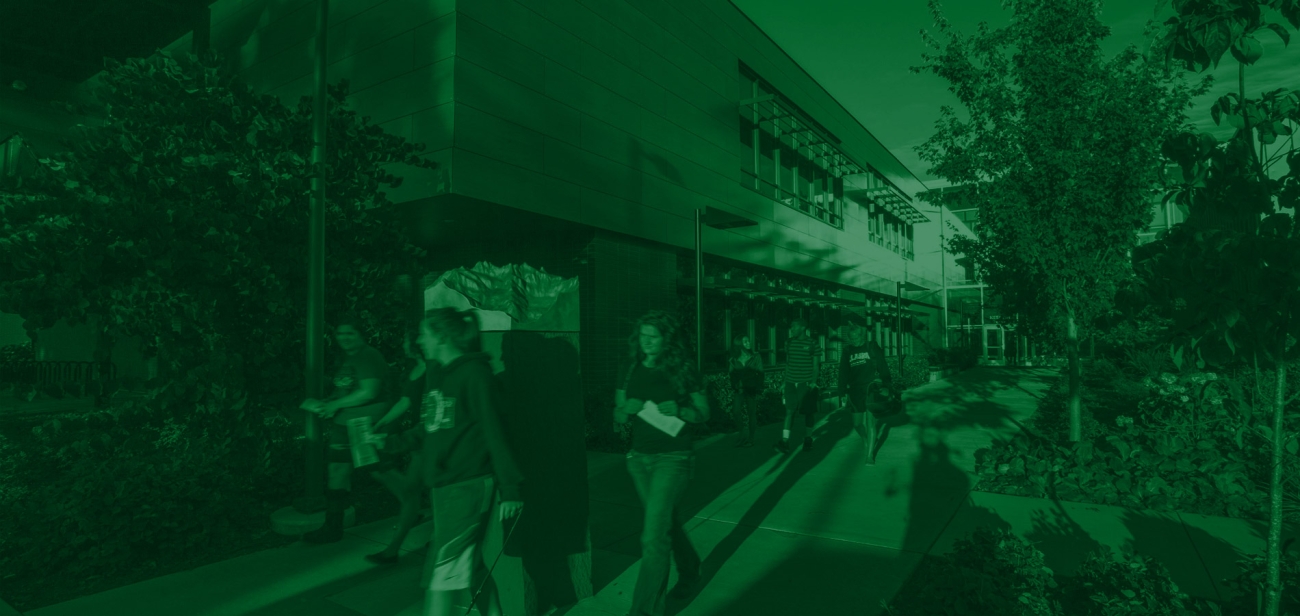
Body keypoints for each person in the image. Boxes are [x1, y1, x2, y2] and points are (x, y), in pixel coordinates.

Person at [370, 308, 525, 616]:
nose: (419, 340)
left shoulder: (476, 375)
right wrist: (389, 443)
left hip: (466, 487)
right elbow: (429, 428)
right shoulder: (438, 375)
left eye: (423, 334)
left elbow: (496, 432)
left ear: (441, 337)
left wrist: (510, 488)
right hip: (444, 488)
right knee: (469, 567)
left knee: (440, 573)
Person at [614, 310, 708, 616]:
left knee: (653, 537)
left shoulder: (682, 368)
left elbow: (704, 414)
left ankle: (644, 611)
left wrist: (681, 410)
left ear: (667, 338)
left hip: (674, 458)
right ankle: (691, 568)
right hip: (639, 460)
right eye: (643, 335)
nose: (647, 342)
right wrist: (624, 410)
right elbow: (617, 418)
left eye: (653, 336)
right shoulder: (629, 368)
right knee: (664, 523)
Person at [302, 313, 393, 544]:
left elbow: (369, 391)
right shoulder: (349, 359)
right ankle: (332, 527)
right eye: (340, 333)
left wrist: (334, 404)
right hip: (345, 424)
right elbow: (347, 391)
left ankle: (411, 504)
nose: (344, 338)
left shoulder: (368, 356)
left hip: (363, 424)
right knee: (337, 472)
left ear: (361, 335)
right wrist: (327, 403)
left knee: (378, 471)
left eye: (350, 333)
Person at [363, 331, 431, 565]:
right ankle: (431, 536)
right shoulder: (415, 369)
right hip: (417, 440)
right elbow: (405, 402)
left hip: (427, 439)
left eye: (405, 338)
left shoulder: (434, 369)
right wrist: (382, 424)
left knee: (414, 491)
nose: (402, 342)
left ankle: (393, 549)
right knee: (418, 491)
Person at [836, 313, 895, 465]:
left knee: (871, 422)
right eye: (852, 338)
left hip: (871, 389)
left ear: (862, 335)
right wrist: (841, 392)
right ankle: (865, 439)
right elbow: (843, 372)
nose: (854, 340)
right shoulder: (847, 351)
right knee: (856, 423)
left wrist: (887, 384)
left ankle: (869, 455)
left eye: (857, 337)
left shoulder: (872, 346)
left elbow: (883, 366)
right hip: (855, 391)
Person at [774, 318, 821, 454]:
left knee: (808, 412)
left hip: (805, 383)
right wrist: (784, 381)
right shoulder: (789, 343)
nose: (792, 329)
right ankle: (785, 442)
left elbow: (816, 366)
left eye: (794, 327)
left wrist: (813, 382)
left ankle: (808, 438)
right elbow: (788, 364)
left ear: (802, 328)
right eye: (791, 327)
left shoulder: (813, 344)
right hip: (790, 383)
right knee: (789, 411)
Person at [728, 334, 764, 448]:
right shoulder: (733, 359)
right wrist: (735, 384)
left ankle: (751, 438)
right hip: (739, 390)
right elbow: (731, 374)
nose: (749, 343)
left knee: (751, 413)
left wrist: (758, 387)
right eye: (745, 341)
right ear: (739, 344)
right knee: (736, 411)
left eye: (748, 341)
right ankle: (742, 434)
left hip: (751, 389)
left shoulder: (756, 356)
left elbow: (761, 373)